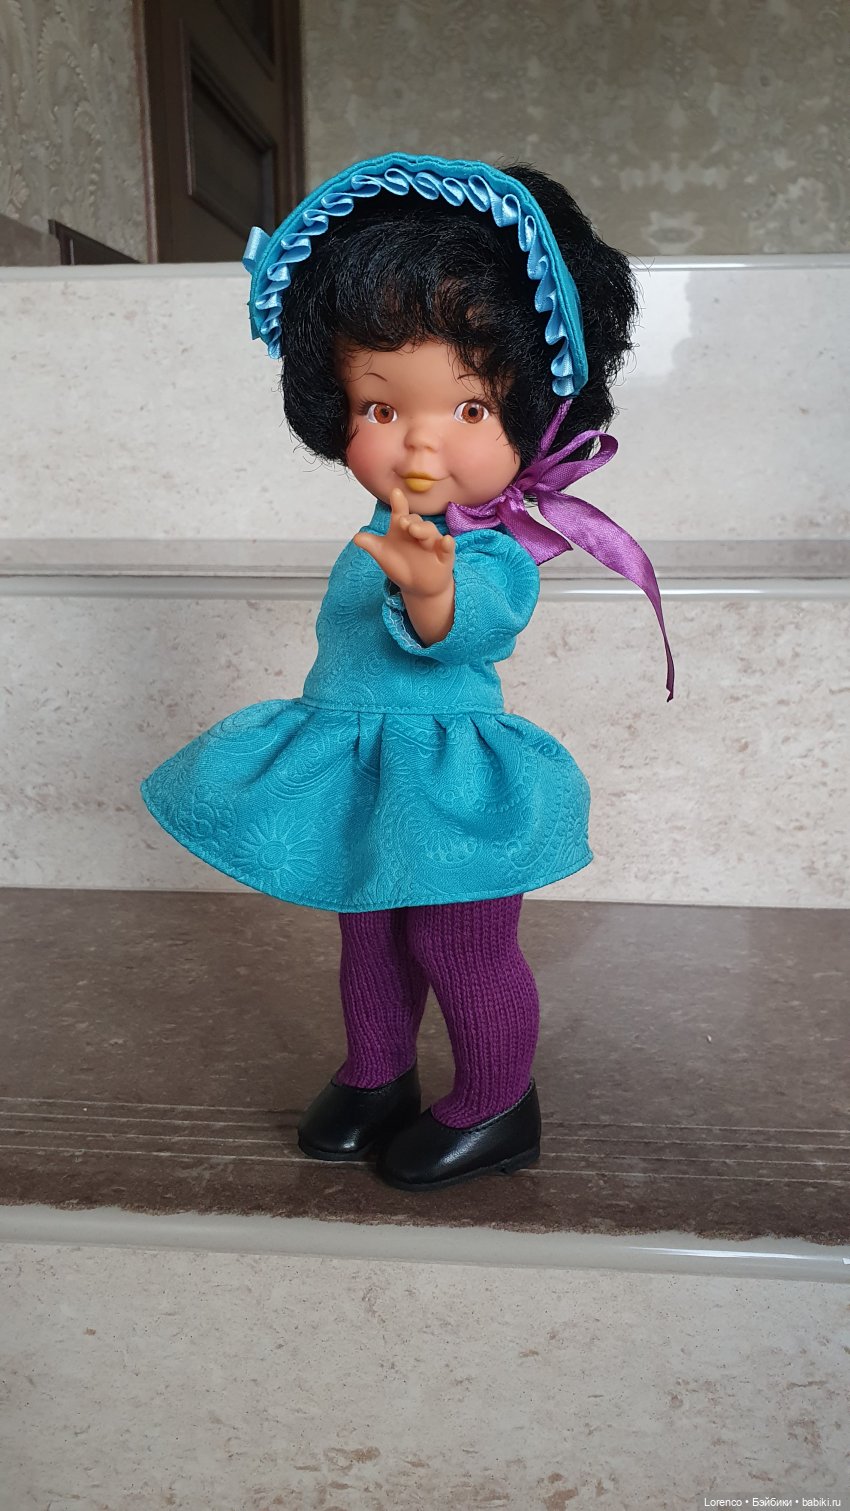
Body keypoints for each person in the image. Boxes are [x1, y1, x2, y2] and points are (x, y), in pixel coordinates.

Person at [140, 153, 674, 1192]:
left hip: (447, 782)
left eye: (469, 410)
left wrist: (433, 588)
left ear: (533, 414)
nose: (419, 443)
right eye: (381, 408)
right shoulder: (384, 523)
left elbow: (474, 622)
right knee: (369, 935)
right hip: (361, 761)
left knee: (458, 942)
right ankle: (377, 1072)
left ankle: (497, 1101)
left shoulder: (489, 548)